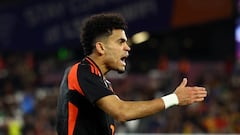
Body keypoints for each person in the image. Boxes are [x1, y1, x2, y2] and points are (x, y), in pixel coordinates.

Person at [56, 13, 207, 135]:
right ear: (101, 48)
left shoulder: (104, 84)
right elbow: (122, 112)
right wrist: (174, 98)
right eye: (120, 42)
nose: (127, 48)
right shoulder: (80, 71)